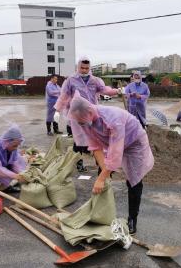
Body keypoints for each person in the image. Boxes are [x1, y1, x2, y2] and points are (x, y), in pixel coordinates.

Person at [68, 95, 154, 234]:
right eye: (78, 122)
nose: (80, 124)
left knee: (134, 180)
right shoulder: (84, 121)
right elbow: (95, 146)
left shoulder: (113, 119)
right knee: (102, 175)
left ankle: (132, 219)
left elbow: (115, 155)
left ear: (90, 112)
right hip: (113, 142)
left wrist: (102, 178)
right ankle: (100, 214)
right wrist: (103, 173)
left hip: (134, 143)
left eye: (81, 121)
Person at [55, 56, 119, 172]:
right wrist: (57, 110)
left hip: (93, 113)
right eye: (82, 68)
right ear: (78, 67)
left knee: (97, 138)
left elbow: (105, 90)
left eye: (86, 68)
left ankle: (100, 165)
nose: (84, 70)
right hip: (78, 115)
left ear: (89, 68)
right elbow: (64, 96)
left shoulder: (95, 80)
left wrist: (117, 91)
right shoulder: (71, 80)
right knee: (79, 141)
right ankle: (78, 163)